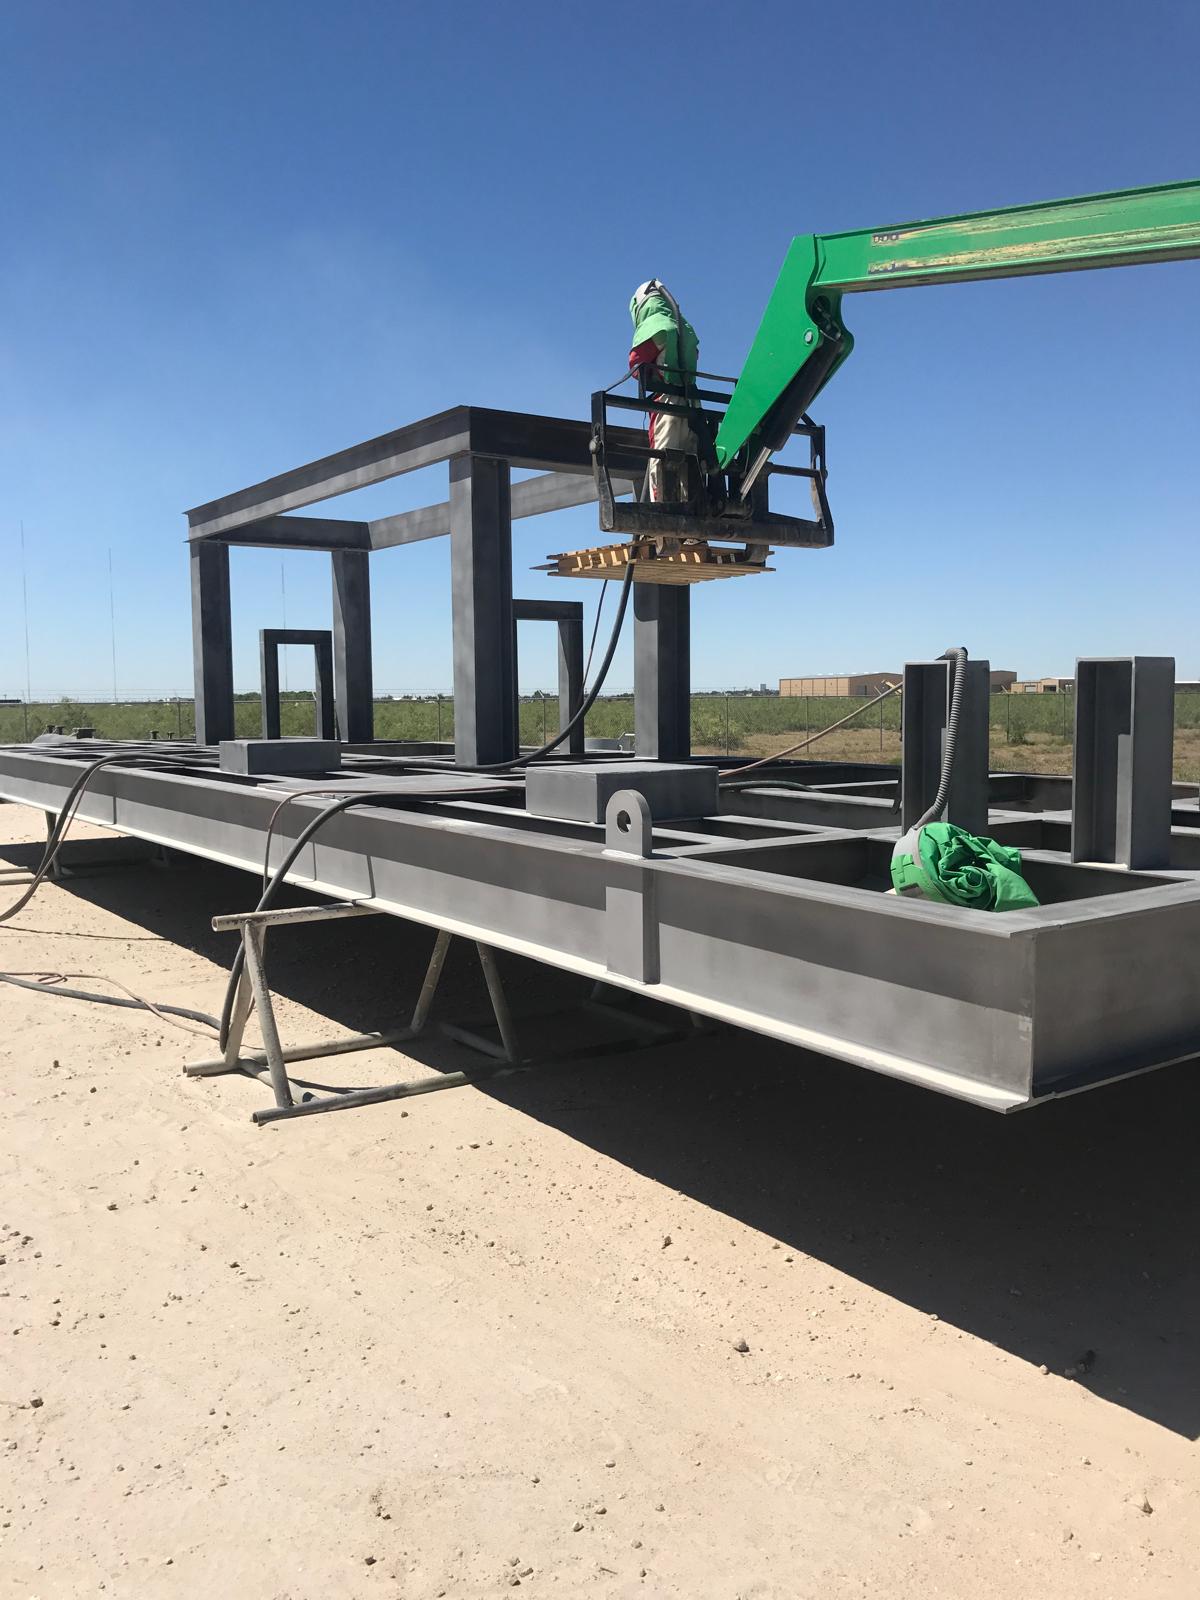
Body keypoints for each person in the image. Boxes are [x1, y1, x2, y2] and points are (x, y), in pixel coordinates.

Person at [628, 280, 700, 503]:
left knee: (662, 458)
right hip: (692, 403)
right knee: (690, 460)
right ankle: (692, 520)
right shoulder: (684, 327)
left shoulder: (654, 326)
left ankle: (663, 512)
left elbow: (636, 363)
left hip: (665, 403)